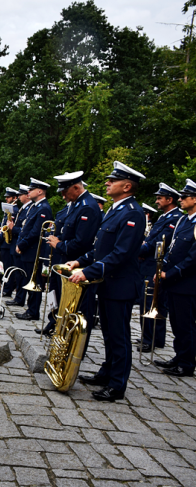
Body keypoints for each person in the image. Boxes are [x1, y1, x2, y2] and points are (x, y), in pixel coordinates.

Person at [68, 161, 146, 402]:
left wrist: (89, 271)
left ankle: (117, 385)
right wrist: (79, 261)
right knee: (110, 334)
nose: (107, 183)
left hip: (121, 285)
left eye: (112, 181)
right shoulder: (115, 210)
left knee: (119, 336)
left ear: (127, 185)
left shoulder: (133, 212)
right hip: (108, 283)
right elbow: (100, 248)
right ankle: (106, 372)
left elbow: (121, 253)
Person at [40, 173, 101, 339]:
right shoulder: (77, 204)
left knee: (78, 309)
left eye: (65, 191)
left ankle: (74, 349)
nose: (63, 195)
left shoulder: (87, 206)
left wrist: (58, 244)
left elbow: (81, 242)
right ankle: (61, 332)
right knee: (61, 303)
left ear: (76, 187)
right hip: (64, 261)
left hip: (76, 265)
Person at [154, 179, 196, 378]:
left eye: (184, 197)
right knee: (177, 323)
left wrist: (170, 273)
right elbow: (172, 250)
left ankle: (187, 363)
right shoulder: (184, 220)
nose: (180, 200)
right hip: (174, 282)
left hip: (187, 284)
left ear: (195, 199)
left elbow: (192, 258)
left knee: (186, 324)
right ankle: (180, 356)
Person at [137, 183, 183, 352]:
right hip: (149, 264)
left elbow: (158, 243)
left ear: (169, 200)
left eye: (159, 198)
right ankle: (151, 337)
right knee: (149, 302)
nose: (156, 201)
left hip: (156, 266)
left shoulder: (174, 218)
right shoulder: (164, 217)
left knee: (151, 302)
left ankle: (152, 339)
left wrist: (139, 249)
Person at [14, 178, 53, 322]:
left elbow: (37, 231)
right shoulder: (36, 206)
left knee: (35, 281)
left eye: (31, 189)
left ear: (40, 191)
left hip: (33, 250)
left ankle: (33, 311)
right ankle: (31, 309)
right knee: (30, 279)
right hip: (29, 250)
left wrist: (22, 244)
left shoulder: (43, 208)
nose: (28, 191)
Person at [5, 185, 33, 303]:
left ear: (27, 196)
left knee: (21, 274)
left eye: (21, 195)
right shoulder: (23, 208)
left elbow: (25, 229)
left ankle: (20, 298)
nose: (19, 197)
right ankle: (18, 297)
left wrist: (13, 228)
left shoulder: (29, 208)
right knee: (17, 272)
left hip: (21, 244)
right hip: (16, 243)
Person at [0, 188, 20, 297]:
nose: (6, 198)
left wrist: (1, 238)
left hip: (8, 243)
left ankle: (8, 289)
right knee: (6, 266)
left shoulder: (14, 209)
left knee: (9, 267)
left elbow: (9, 227)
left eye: (9, 197)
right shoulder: (8, 209)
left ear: (15, 198)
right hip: (5, 242)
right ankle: (6, 288)